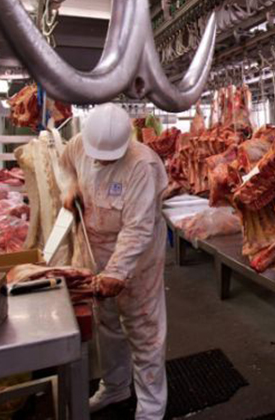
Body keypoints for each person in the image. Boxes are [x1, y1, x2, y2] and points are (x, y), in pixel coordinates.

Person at [61, 103, 169, 419]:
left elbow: (138, 228)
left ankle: (151, 409)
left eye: (109, 157)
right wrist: (70, 186)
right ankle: (115, 386)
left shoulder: (142, 165)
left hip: (138, 259)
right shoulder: (79, 144)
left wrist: (118, 272)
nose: (100, 161)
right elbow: (65, 166)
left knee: (144, 330)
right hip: (94, 251)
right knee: (106, 324)